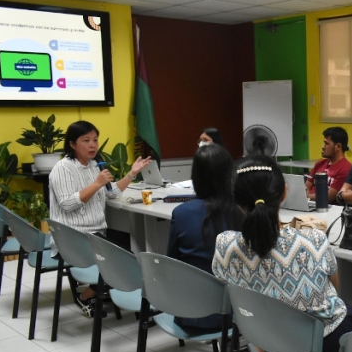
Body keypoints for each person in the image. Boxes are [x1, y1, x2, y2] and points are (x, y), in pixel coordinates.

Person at [212, 154, 352, 352]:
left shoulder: (225, 245)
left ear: (236, 201)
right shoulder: (312, 239)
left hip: (267, 348)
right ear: (284, 193)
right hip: (322, 350)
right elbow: (335, 287)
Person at [49, 120, 152, 316]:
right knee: (122, 256)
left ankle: (117, 291)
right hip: (72, 238)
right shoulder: (62, 168)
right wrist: (96, 183)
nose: (92, 145)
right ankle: (87, 295)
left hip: (94, 233)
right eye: (85, 140)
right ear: (72, 144)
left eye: (95, 140)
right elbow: (68, 204)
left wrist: (131, 174)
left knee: (136, 244)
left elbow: (111, 192)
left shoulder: (94, 165)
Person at [167, 144, 243, 329]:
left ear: (195, 176)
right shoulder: (241, 213)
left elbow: (171, 261)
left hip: (187, 312)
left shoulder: (181, 213)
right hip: (235, 314)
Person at [305, 127, 352, 203]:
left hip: (327, 208)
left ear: (338, 146)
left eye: (326, 143)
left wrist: (307, 196)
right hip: (309, 204)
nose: (323, 146)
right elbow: (306, 187)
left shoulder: (345, 169)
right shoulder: (320, 163)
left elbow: (328, 197)